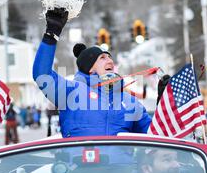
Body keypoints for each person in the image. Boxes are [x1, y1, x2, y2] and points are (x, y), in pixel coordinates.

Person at [32, 8, 152, 137]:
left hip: (120, 158)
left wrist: (164, 102)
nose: (110, 61)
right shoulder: (71, 92)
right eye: (102, 58)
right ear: (90, 68)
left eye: (110, 57)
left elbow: (153, 135)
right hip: (79, 157)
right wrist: (51, 36)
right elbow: (42, 75)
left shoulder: (129, 101)